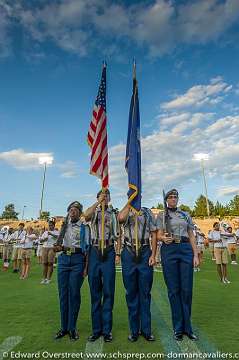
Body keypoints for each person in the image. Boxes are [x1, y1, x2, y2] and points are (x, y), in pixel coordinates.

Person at [156, 189, 199, 342]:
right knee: (174, 290)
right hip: (170, 250)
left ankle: (188, 328)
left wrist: (195, 254)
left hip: (185, 249)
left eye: (175, 197)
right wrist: (162, 238)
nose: (173, 199)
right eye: (171, 197)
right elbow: (158, 234)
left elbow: (192, 234)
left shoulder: (185, 214)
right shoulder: (161, 215)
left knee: (186, 289)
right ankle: (178, 328)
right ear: (167, 199)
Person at [84, 189, 120, 343]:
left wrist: (118, 253)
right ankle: (96, 329)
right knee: (95, 291)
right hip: (94, 250)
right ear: (97, 197)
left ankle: (107, 330)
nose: (105, 198)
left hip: (109, 249)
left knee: (108, 291)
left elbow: (119, 234)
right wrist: (99, 202)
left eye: (107, 196)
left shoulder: (113, 214)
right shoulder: (94, 212)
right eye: (102, 195)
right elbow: (86, 215)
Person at [118, 202, 157, 342]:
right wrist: (129, 204)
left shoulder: (147, 212)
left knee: (145, 292)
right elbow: (120, 219)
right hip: (128, 252)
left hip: (145, 251)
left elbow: (153, 234)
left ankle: (146, 330)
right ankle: (134, 330)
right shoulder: (126, 210)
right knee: (131, 292)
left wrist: (153, 255)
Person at [54, 201, 90, 341]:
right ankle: (64, 327)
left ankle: (72, 328)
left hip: (77, 260)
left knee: (74, 293)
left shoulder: (84, 227)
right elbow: (59, 243)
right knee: (63, 294)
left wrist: (86, 267)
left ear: (80, 213)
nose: (72, 211)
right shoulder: (64, 225)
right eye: (71, 209)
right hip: (63, 260)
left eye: (75, 209)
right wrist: (57, 247)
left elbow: (87, 249)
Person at [40, 218, 59, 284]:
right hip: (45, 247)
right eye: (49, 225)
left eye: (51, 225)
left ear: (54, 225)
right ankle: (44, 278)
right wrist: (44, 239)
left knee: (50, 263)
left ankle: (48, 278)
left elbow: (58, 237)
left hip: (52, 248)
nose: (50, 226)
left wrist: (51, 234)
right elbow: (41, 240)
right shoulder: (45, 232)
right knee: (44, 263)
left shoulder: (56, 231)